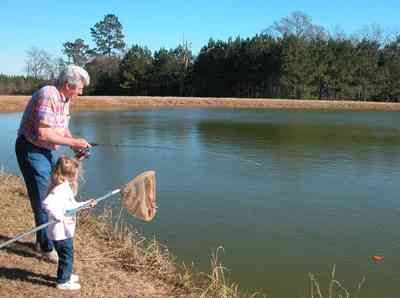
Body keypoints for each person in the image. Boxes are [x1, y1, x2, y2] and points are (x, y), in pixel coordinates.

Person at [15, 65, 92, 263]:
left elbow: (62, 127)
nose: (81, 92)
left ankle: (46, 241)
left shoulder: (65, 99)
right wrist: (74, 142)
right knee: (45, 200)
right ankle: (46, 247)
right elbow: (44, 133)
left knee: (55, 192)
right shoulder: (48, 95)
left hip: (45, 150)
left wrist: (74, 146)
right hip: (31, 149)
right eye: (80, 88)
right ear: (68, 85)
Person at [42, 155, 96, 290]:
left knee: (67, 255)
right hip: (60, 232)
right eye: (75, 175)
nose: (76, 177)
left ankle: (66, 274)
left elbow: (72, 206)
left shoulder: (65, 187)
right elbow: (46, 204)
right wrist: (58, 216)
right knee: (66, 256)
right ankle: (63, 282)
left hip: (65, 230)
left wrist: (86, 204)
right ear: (68, 176)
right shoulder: (59, 189)